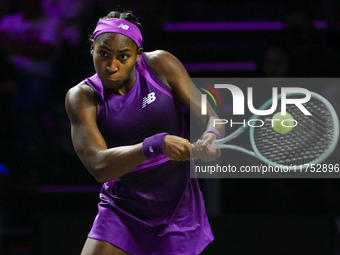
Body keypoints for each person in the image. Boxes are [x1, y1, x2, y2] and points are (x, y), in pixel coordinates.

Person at [65, 10, 224, 255]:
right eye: (103, 54)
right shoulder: (82, 96)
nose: (111, 66)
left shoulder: (161, 64)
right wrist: (156, 145)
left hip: (177, 207)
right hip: (123, 208)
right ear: (92, 49)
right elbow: (99, 166)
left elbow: (213, 118)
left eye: (123, 57)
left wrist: (210, 137)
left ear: (138, 56)